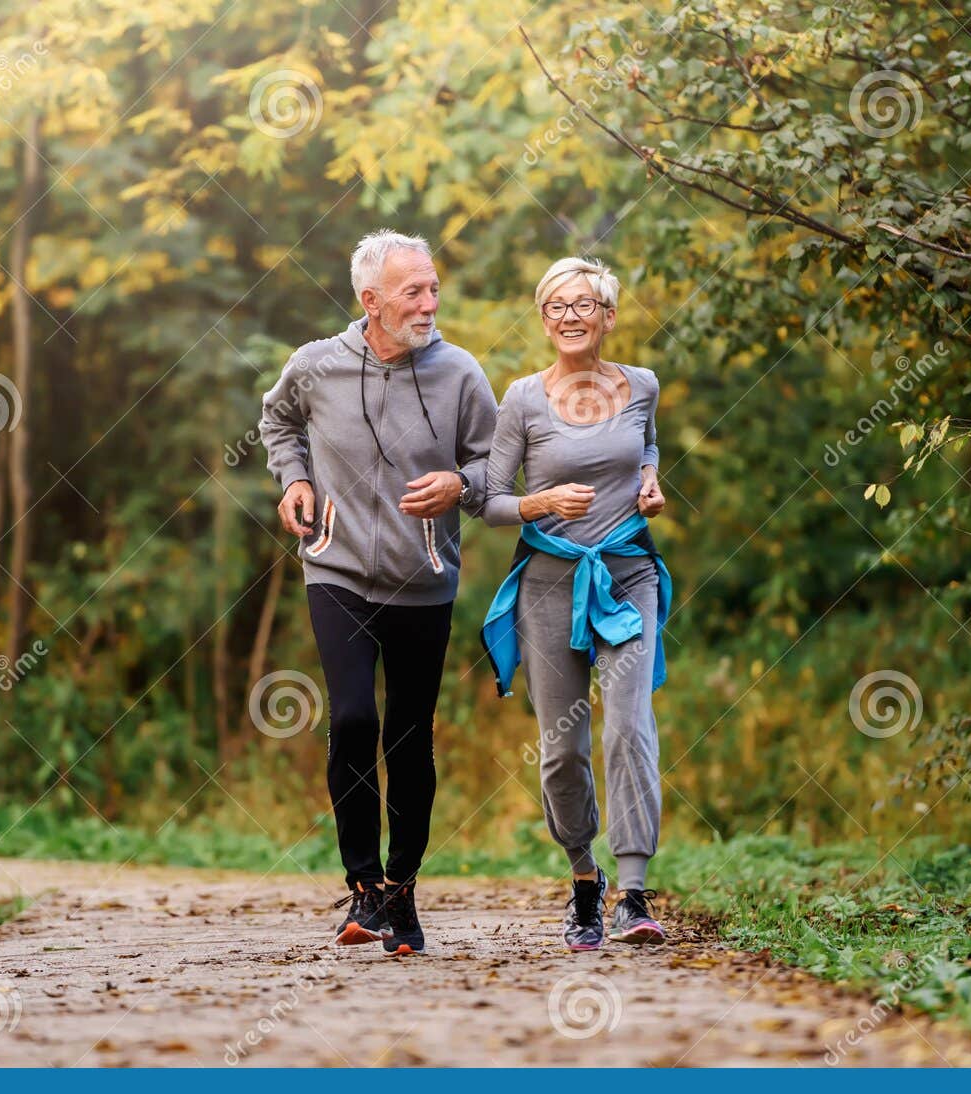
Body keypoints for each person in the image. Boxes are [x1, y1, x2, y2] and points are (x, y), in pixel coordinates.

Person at [259, 230, 497, 954]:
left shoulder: (460, 374)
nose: (430, 303)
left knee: (409, 735)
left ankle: (402, 891)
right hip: (337, 569)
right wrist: (295, 478)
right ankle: (364, 885)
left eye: (432, 288)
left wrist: (461, 484)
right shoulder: (317, 365)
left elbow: (495, 471)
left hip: (423, 581)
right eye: (413, 291)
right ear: (371, 301)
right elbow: (277, 421)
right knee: (355, 718)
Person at [479, 256, 672, 951]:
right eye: (556, 305)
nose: (569, 315)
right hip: (550, 581)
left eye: (583, 304)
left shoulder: (642, 385)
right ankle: (584, 882)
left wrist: (650, 480)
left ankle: (635, 891)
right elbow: (489, 500)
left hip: (627, 576)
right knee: (561, 748)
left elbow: (644, 446)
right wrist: (541, 501)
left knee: (628, 724)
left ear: (609, 317)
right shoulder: (523, 398)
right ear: (543, 318)